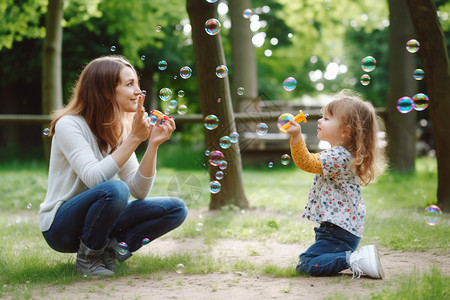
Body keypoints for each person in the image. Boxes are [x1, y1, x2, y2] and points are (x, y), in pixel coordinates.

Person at [39, 55, 188, 276]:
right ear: (106, 91)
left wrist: (153, 145)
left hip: (100, 221)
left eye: (137, 83)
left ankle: (110, 249)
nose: (139, 91)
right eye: (129, 84)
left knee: (176, 208)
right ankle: (88, 260)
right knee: (116, 189)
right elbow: (94, 178)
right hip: (61, 227)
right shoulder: (69, 124)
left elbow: (139, 190)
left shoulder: (119, 128)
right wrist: (134, 139)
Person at [285, 90, 385, 279]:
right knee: (315, 258)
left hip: (338, 231)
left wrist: (297, 137)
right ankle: (354, 258)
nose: (320, 121)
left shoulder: (339, 156)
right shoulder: (341, 154)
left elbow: (306, 162)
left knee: (307, 264)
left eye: (327, 118)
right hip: (338, 229)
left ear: (345, 131)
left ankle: (356, 259)